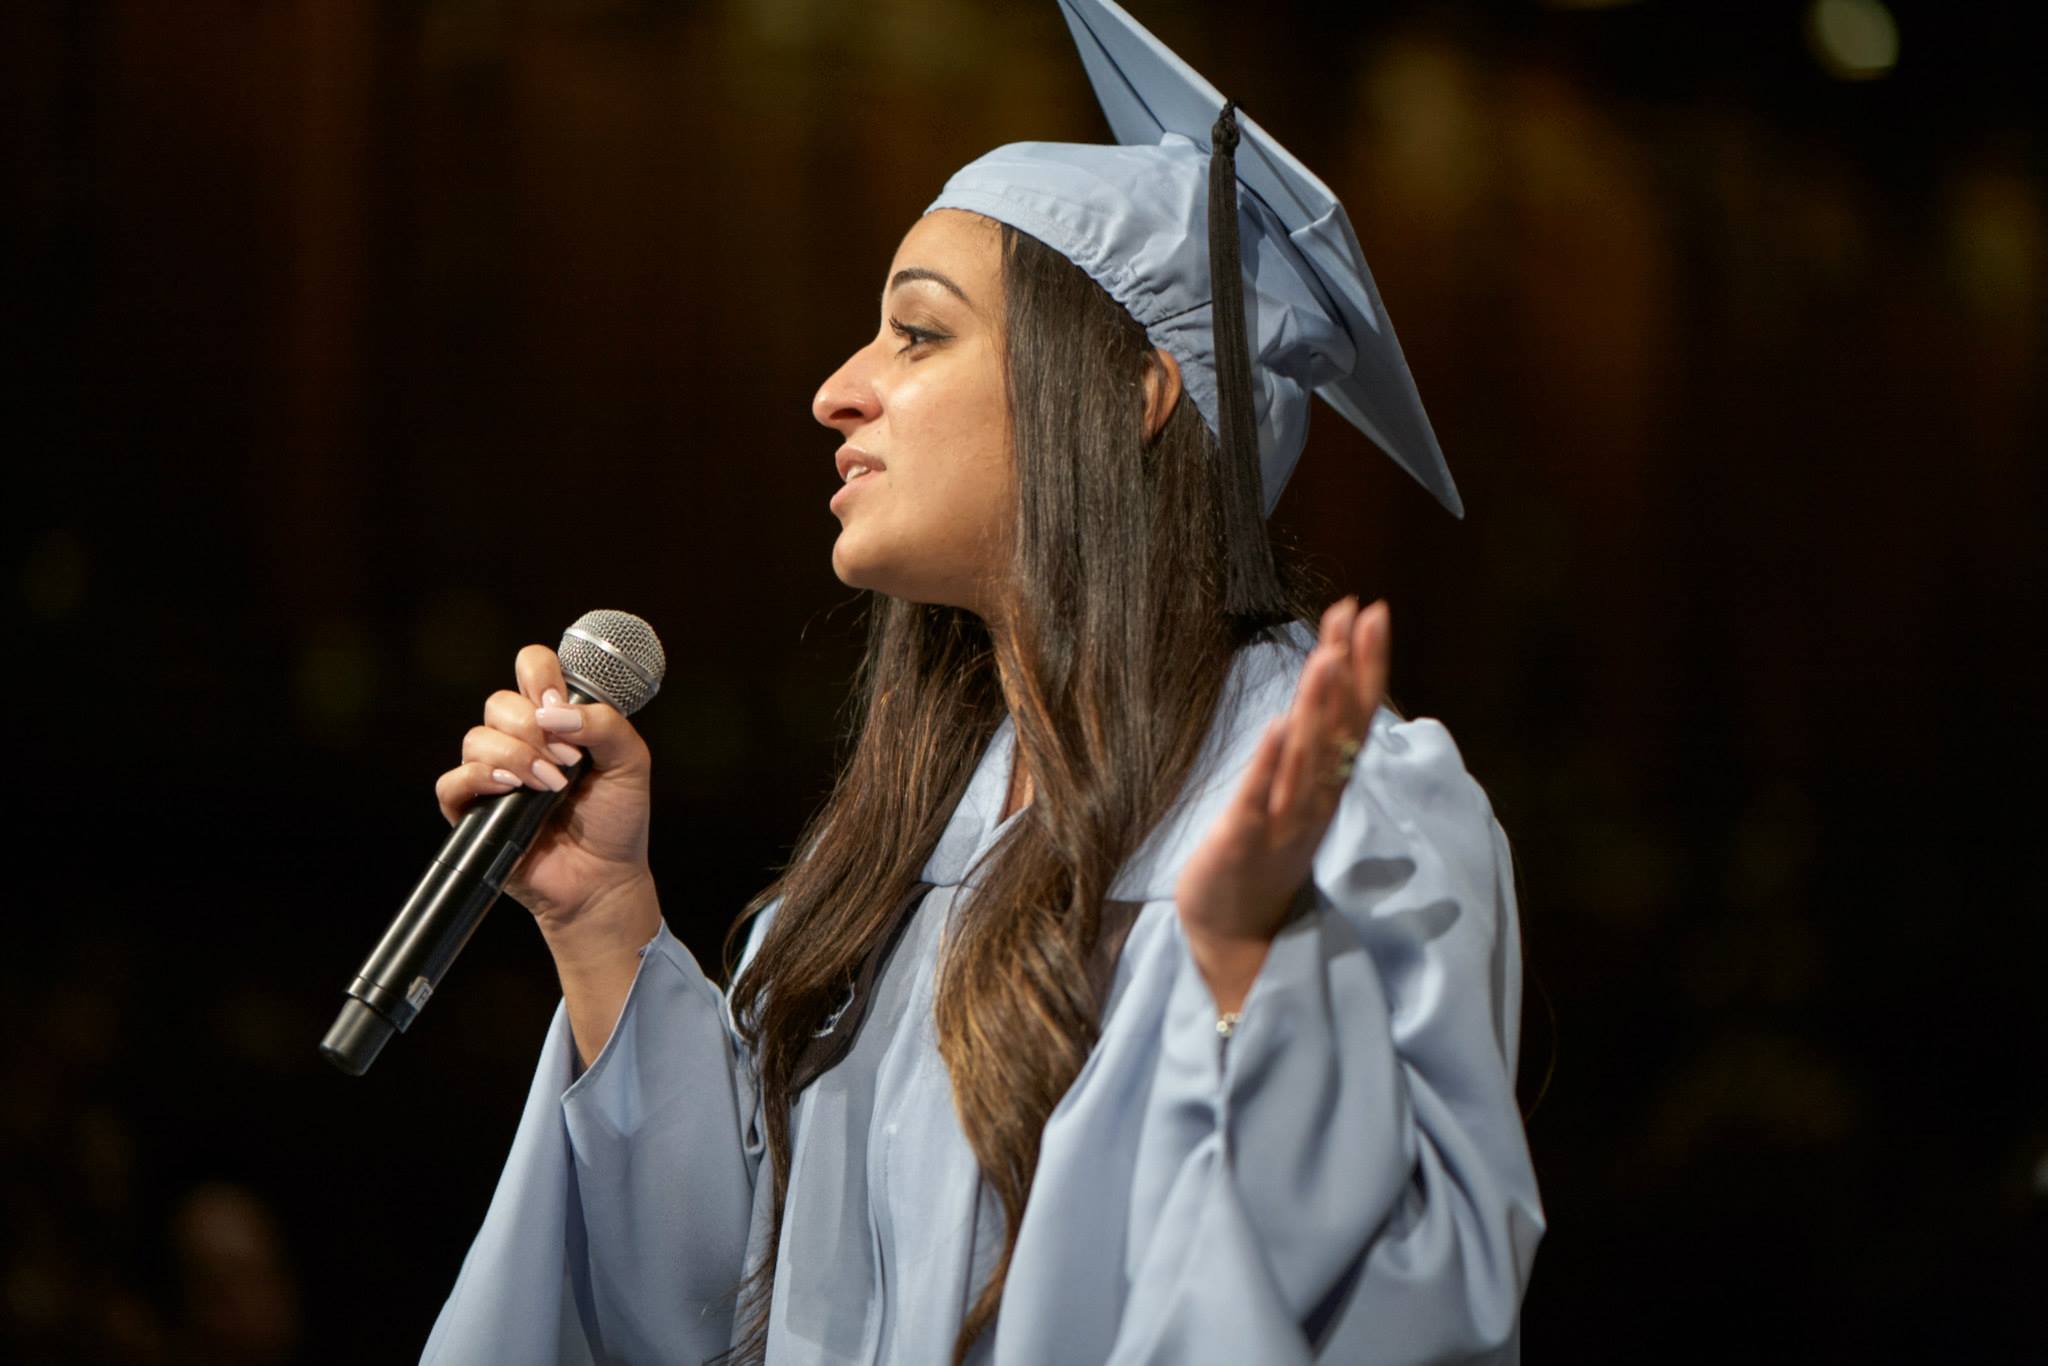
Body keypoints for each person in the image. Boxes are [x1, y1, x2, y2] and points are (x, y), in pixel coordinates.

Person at [421, 2, 1542, 1362]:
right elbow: (726, 1316)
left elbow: (1372, 1311)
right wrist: (604, 926)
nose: (839, 390)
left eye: (918, 334)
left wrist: (1254, 981)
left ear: (1135, 392)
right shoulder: (896, 847)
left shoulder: (1347, 821)